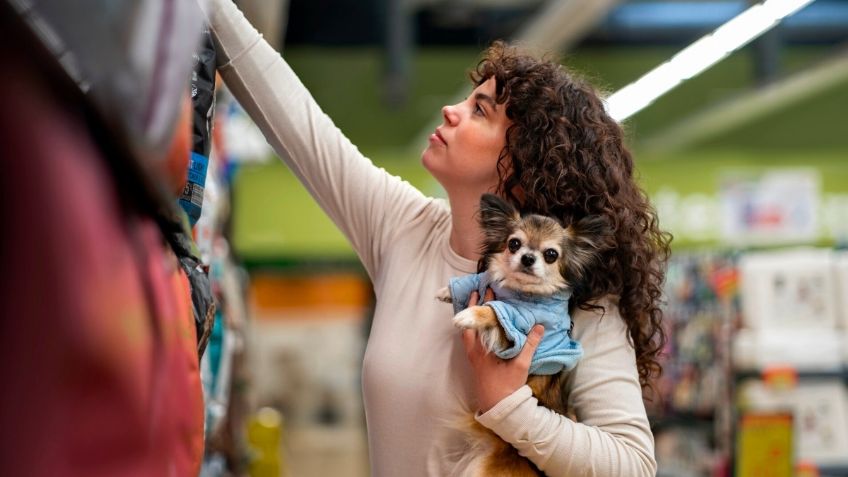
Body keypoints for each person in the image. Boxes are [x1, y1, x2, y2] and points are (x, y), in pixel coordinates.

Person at [203, 0, 672, 475]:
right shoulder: (402, 226)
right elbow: (292, 116)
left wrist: (510, 407)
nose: (451, 111)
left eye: (479, 112)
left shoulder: (578, 298)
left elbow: (633, 465)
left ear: (523, 167)